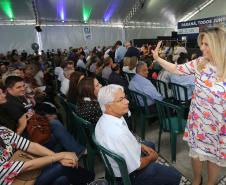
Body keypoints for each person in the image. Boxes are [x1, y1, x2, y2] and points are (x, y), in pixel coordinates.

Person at [151, 27, 226, 185]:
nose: (201, 48)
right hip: (198, 120)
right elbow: (176, 69)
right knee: (196, 154)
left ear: (219, 45)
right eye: (202, 43)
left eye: (206, 44)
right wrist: (157, 58)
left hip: (219, 125)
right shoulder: (200, 63)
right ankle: (197, 178)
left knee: (214, 158)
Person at [0, 87, 94, 185]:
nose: (4, 95)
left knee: (62, 178)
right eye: (1, 93)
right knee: (61, 166)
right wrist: (59, 157)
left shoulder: (2, 130)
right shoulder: (10, 107)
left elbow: (30, 145)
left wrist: (59, 157)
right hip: (16, 180)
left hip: (23, 172)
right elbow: (24, 166)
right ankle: (93, 181)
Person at [95, 84, 181, 185]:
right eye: (121, 99)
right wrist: (151, 158)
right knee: (176, 176)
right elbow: (137, 166)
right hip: (130, 176)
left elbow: (128, 141)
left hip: (120, 164)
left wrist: (141, 146)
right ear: (108, 106)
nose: (127, 101)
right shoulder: (118, 134)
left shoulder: (105, 119)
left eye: (125, 97)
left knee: (149, 145)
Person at [2, 76, 86, 156]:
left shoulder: (19, 96)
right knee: (57, 130)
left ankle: (72, 152)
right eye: (19, 87)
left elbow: (31, 113)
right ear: (9, 89)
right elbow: (24, 123)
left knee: (56, 124)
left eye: (23, 86)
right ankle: (73, 152)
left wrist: (45, 117)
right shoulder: (9, 103)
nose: (23, 88)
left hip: (33, 128)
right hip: (28, 136)